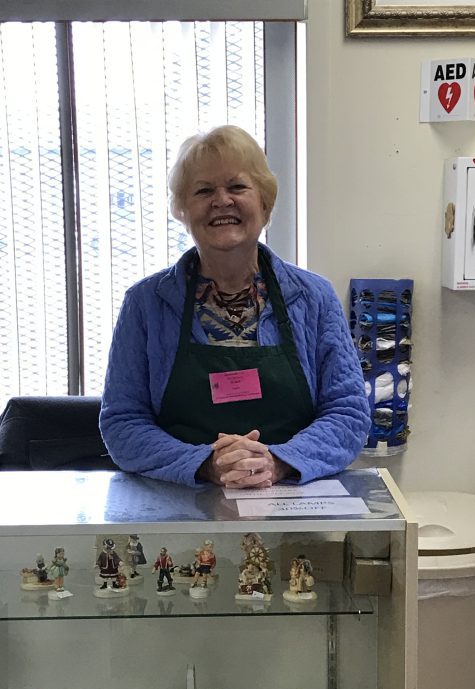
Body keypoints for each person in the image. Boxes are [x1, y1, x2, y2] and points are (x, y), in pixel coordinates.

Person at [99, 125, 370, 489]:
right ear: (182, 210)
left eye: (237, 187)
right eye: (203, 190)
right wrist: (207, 464)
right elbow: (123, 423)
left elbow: (348, 414)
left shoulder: (314, 297)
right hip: (181, 502)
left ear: (265, 203)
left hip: (292, 500)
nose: (221, 201)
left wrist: (276, 462)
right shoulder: (145, 304)